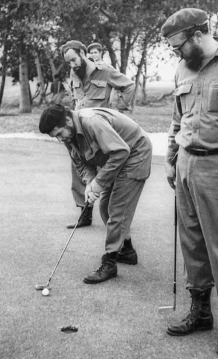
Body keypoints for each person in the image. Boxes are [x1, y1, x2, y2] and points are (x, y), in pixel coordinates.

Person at [161, 7, 218, 357]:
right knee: (192, 242)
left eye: (177, 45)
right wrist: (171, 160)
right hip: (186, 165)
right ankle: (200, 311)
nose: (175, 53)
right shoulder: (183, 67)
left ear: (198, 36)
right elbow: (176, 119)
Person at [39, 104, 152, 284]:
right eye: (56, 137)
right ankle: (127, 251)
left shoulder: (92, 122)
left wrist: (99, 183)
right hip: (117, 159)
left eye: (59, 134)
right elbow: (81, 164)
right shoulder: (69, 138)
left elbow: (121, 151)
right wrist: (91, 182)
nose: (60, 139)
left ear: (68, 121)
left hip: (135, 155)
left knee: (117, 209)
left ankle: (110, 262)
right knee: (105, 207)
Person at [60, 40, 135, 249]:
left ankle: (113, 221)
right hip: (80, 129)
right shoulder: (74, 73)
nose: (72, 65)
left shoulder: (105, 71)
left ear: (84, 53)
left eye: (74, 59)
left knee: (106, 174)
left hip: (99, 131)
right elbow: (77, 100)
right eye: (68, 62)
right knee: (79, 169)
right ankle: (84, 211)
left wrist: (118, 110)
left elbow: (128, 85)